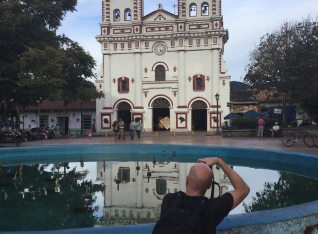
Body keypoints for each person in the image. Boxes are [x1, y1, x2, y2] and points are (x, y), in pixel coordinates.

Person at [153, 157, 250, 234]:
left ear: (187, 180)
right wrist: (219, 161)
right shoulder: (212, 209)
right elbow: (243, 189)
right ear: (209, 186)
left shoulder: (169, 199)